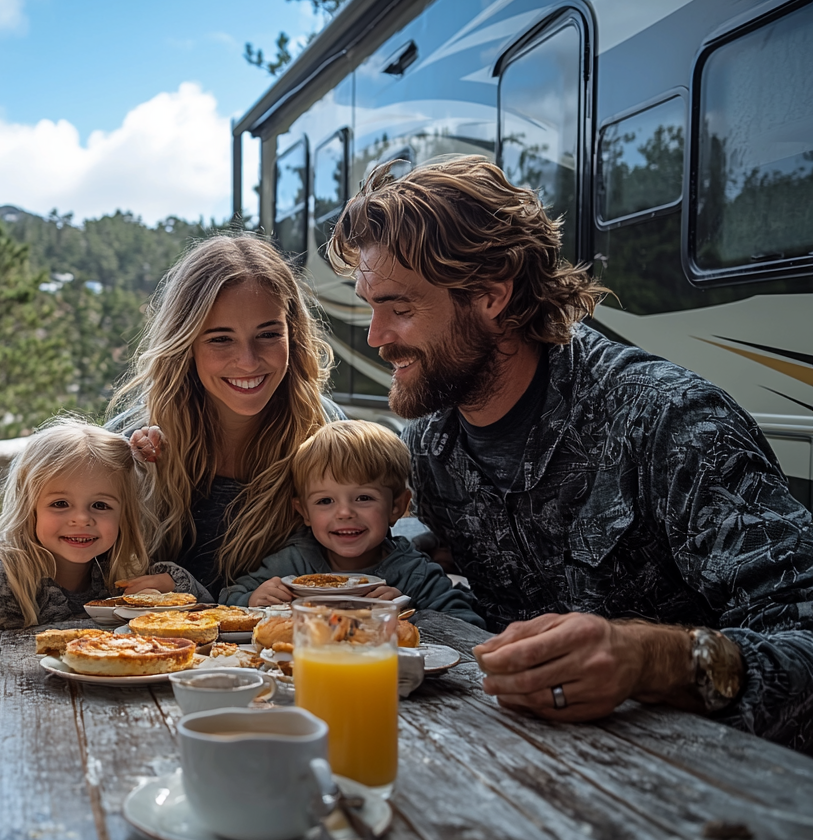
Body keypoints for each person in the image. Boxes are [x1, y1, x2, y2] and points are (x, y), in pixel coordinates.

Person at [327, 154, 813, 752]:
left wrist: (654, 659)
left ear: (490, 296)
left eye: (399, 308)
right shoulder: (433, 446)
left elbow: (803, 641)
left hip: (713, 790)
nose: (375, 337)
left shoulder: (668, 423)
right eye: (370, 306)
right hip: (528, 771)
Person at [0, 234, 339, 640]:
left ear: (294, 334)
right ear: (185, 342)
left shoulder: (327, 437)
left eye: (268, 334)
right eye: (220, 338)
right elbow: (37, 522)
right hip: (143, 651)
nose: (247, 360)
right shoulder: (140, 432)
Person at [220, 420, 485, 628]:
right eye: (325, 501)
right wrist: (253, 600)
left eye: (363, 498)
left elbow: (467, 624)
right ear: (304, 512)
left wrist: (408, 613)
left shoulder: (412, 573)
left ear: (397, 506)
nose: (345, 513)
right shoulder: (295, 563)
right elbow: (229, 599)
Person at [0, 419, 211, 631]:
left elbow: (210, 613)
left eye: (100, 506)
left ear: (125, 515)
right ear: (29, 507)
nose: (81, 519)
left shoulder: (121, 570)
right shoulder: (2, 579)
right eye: (60, 504)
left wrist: (176, 586)